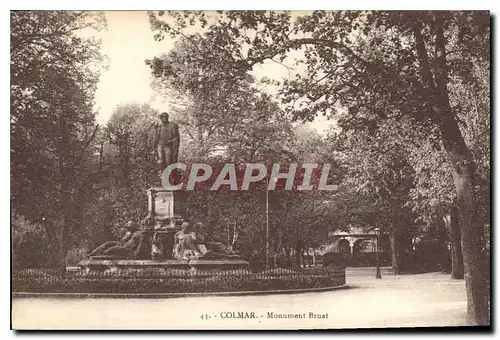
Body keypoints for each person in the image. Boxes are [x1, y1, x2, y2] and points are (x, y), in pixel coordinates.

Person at [153, 112, 180, 177]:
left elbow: (177, 138)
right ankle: (164, 176)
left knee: (169, 161)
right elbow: (156, 137)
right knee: (161, 162)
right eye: (162, 117)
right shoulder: (158, 126)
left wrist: (170, 141)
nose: (164, 118)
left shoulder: (173, 125)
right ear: (161, 118)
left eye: (165, 116)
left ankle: (172, 177)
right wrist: (155, 147)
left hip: (169, 145)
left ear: (168, 117)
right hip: (160, 145)